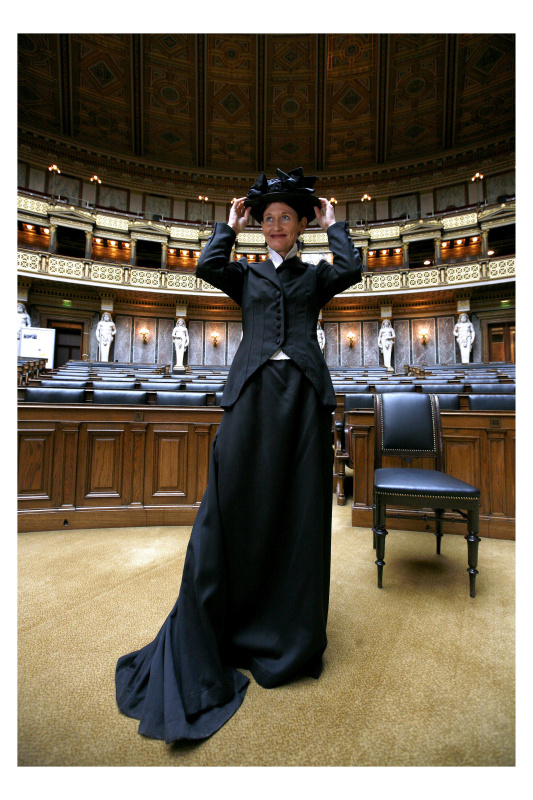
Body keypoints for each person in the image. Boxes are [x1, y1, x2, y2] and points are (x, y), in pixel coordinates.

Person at [115, 167, 362, 743]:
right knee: (235, 504)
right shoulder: (245, 276)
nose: (276, 225)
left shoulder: (317, 274)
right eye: (268, 218)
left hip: (301, 399)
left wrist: (334, 224)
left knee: (297, 509)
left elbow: (353, 268)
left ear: (301, 225)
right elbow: (205, 266)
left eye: (287, 218)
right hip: (251, 398)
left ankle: (288, 637)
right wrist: (227, 227)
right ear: (260, 227)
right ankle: (231, 621)